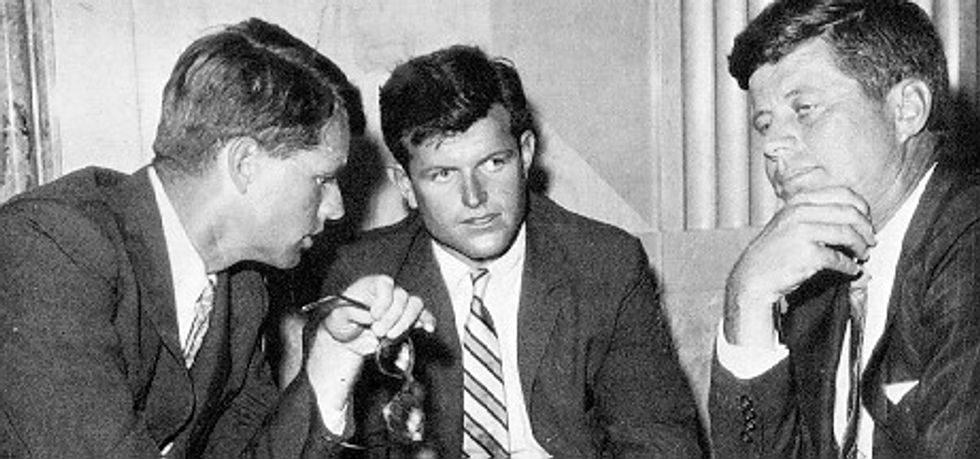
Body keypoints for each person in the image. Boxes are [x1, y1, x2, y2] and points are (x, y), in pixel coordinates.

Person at [0, 18, 434, 458]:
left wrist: (334, 355)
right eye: (322, 180)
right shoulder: (50, 246)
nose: (336, 208)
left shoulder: (241, 291)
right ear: (245, 164)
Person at [312, 44, 705, 458]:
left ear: (526, 154)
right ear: (406, 185)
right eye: (443, 174)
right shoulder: (363, 276)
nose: (475, 197)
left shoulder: (606, 263)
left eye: (494, 163)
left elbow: (660, 442)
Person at [709, 1, 980, 457]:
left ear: (907, 109)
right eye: (764, 124)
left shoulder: (968, 244)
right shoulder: (817, 272)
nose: (773, 145)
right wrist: (747, 301)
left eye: (804, 109)